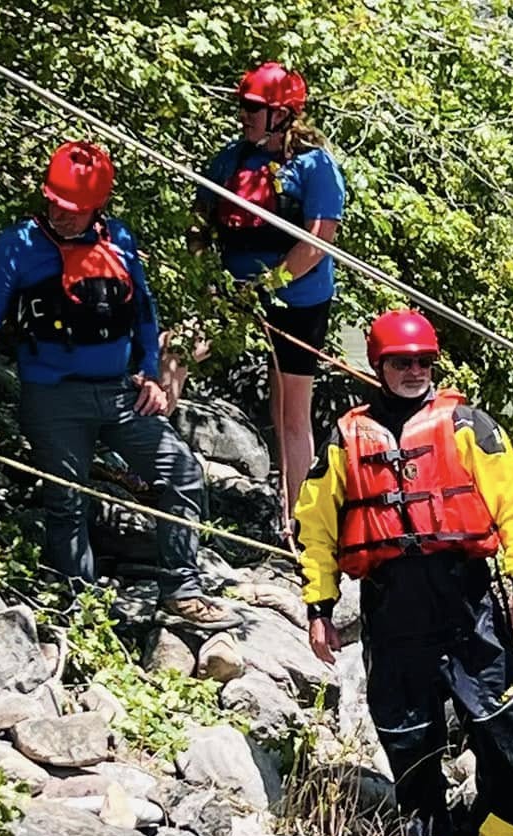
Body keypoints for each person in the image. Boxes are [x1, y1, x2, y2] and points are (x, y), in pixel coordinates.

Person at [0, 141, 235, 630]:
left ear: (97, 205)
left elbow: (143, 313)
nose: (60, 213)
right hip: (52, 398)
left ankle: (182, 590)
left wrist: (151, 374)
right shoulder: (19, 245)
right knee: (68, 501)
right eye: (53, 202)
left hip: (119, 392)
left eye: (71, 208)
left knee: (181, 472)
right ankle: (80, 612)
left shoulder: (119, 240)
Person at [293, 310, 513, 836]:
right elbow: (315, 528)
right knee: (407, 730)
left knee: (501, 717)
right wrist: (319, 608)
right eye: (401, 363)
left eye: (423, 362)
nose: (414, 371)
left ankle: (505, 821)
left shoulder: (466, 425)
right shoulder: (345, 438)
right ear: (378, 366)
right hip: (392, 604)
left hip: (466, 596)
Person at [187, 62, 346, 527]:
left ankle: (295, 520)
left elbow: (317, 241)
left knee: (290, 410)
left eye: (254, 108)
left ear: (282, 115)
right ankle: (145, 430)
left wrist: (268, 285)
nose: (245, 115)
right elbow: (198, 224)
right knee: (178, 350)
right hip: (233, 292)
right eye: (243, 106)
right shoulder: (229, 160)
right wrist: (207, 277)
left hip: (298, 298)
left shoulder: (315, 167)